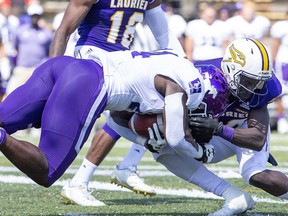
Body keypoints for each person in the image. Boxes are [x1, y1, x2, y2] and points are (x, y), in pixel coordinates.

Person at [0, 49, 213, 207]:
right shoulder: (188, 88)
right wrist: (201, 152)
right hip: (88, 83)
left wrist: (143, 141)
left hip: (62, 66)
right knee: (47, 170)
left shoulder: (173, 58)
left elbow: (118, 119)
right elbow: (176, 138)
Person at [49, 0, 186, 205]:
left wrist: (182, 62)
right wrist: (52, 76)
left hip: (121, 60)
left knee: (157, 104)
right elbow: (63, 30)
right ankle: (85, 181)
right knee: (126, 112)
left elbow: (163, 34)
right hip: (93, 57)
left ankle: (121, 168)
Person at [188, 38, 288, 213]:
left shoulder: (263, 88)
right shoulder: (200, 75)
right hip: (209, 134)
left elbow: (257, 138)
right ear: (230, 69)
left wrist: (218, 129)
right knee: (170, 147)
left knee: (255, 174)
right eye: (248, 81)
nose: (254, 88)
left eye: (259, 82)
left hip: (237, 129)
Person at [6, 3, 52, 95]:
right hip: (22, 69)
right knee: (10, 94)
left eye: (37, 16)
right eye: (33, 16)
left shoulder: (47, 33)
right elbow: (15, 47)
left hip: (38, 70)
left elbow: (50, 52)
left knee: (37, 96)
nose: (35, 18)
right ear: (29, 16)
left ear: (40, 16)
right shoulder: (20, 31)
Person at [270, 18, 288, 134]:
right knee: (281, 91)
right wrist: (273, 61)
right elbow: (275, 46)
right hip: (284, 61)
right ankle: (281, 120)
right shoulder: (281, 25)